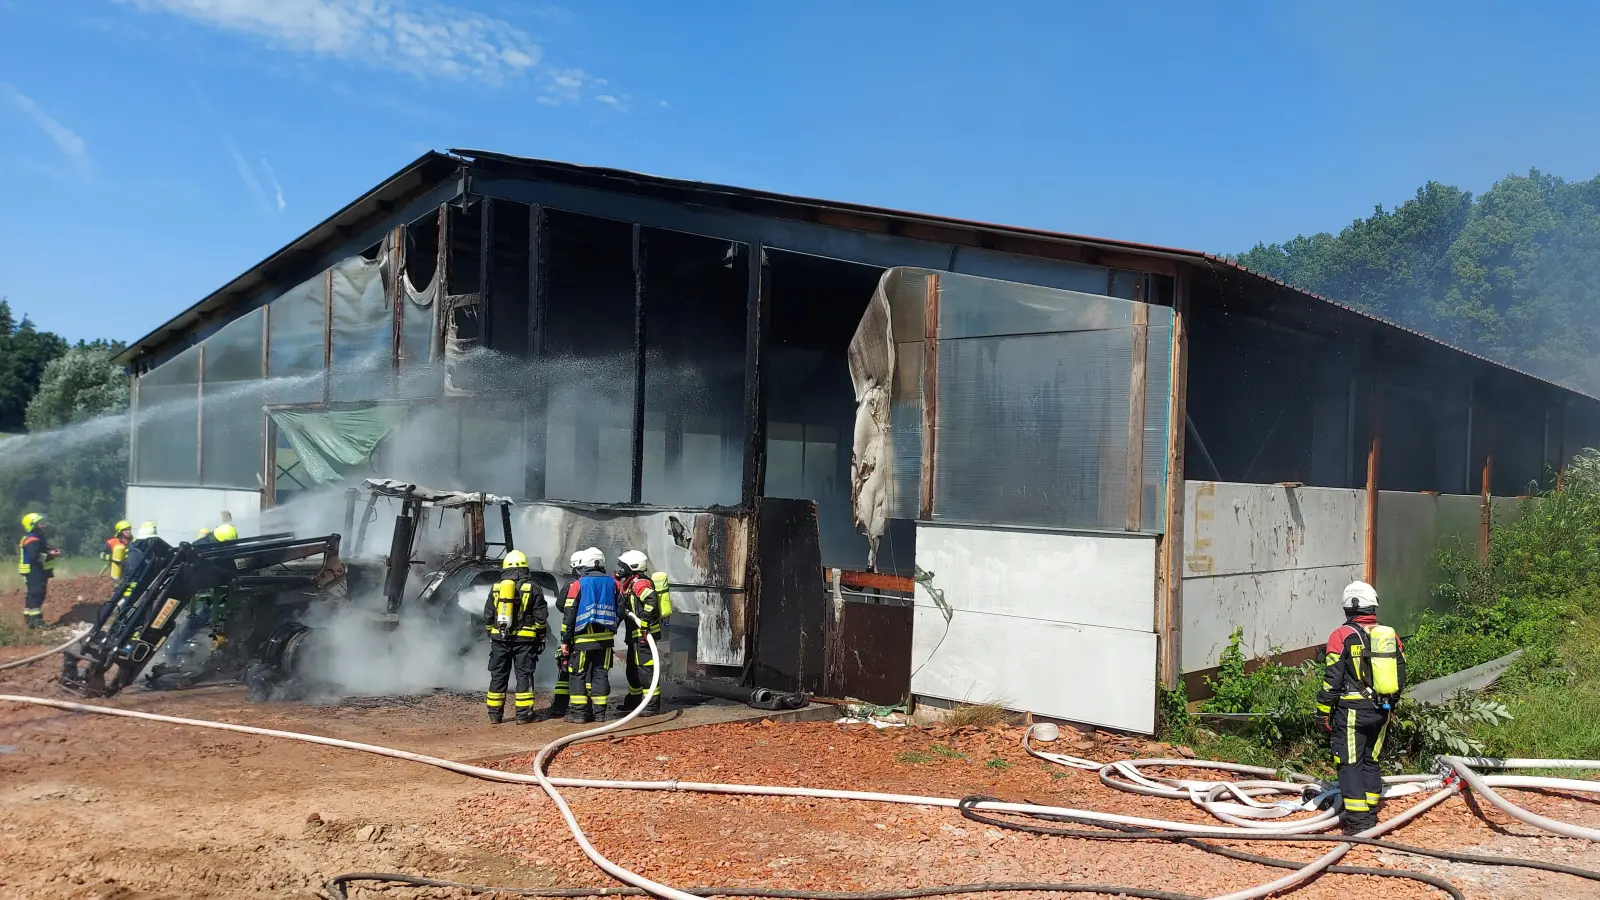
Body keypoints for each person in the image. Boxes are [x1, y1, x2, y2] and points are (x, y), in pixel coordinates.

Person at [1315, 580, 1406, 835]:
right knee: (1370, 759)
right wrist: (1390, 706)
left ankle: (1358, 823)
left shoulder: (1340, 636)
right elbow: (1400, 675)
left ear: (1348, 609)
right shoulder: (1391, 636)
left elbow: (1332, 679)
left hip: (1352, 712)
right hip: (1382, 709)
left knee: (1349, 762)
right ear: (1373, 607)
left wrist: (1322, 713)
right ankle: (1370, 810)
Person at [482, 550, 548, 724]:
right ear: (525, 566)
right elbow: (541, 617)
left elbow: (488, 614)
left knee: (498, 675)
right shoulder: (533, 587)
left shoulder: (497, 588)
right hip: (525, 641)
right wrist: (541, 635)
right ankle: (523, 715)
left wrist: (491, 632)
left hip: (499, 639)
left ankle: (495, 715)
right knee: (524, 676)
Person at [561, 547, 619, 724]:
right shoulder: (613, 583)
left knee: (578, 674)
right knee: (601, 674)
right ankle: (600, 713)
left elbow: (569, 612)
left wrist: (565, 639)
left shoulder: (579, 584)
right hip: (606, 641)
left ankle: (579, 714)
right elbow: (622, 610)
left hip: (583, 639)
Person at [535, 550, 586, 722]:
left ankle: (560, 707)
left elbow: (561, 605)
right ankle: (592, 710)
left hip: (574, 635)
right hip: (597, 637)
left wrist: (566, 638)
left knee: (566, 670)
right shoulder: (599, 583)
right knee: (593, 672)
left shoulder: (573, 584)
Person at [615, 550, 665, 716]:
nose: (618, 569)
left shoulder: (639, 583)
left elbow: (651, 602)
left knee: (645, 670)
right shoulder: (630, 584)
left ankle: (651, 705)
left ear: (632, 567)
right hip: (635, 635)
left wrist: (644, 620)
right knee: (632, 669)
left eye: (622, 566)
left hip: (644, 635)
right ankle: (634, 701)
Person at [16, 512, 60, 629]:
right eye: (40, 523)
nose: (43, 525)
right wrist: (51, 555)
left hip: (34, 571)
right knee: (37, 594)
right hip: (34, 571)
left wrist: (49, 549)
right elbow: (34, 557)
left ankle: (29, 620)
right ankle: (36, 622)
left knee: (32, 595)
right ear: (32, 525)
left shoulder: (35, 538)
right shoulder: (32, 539)